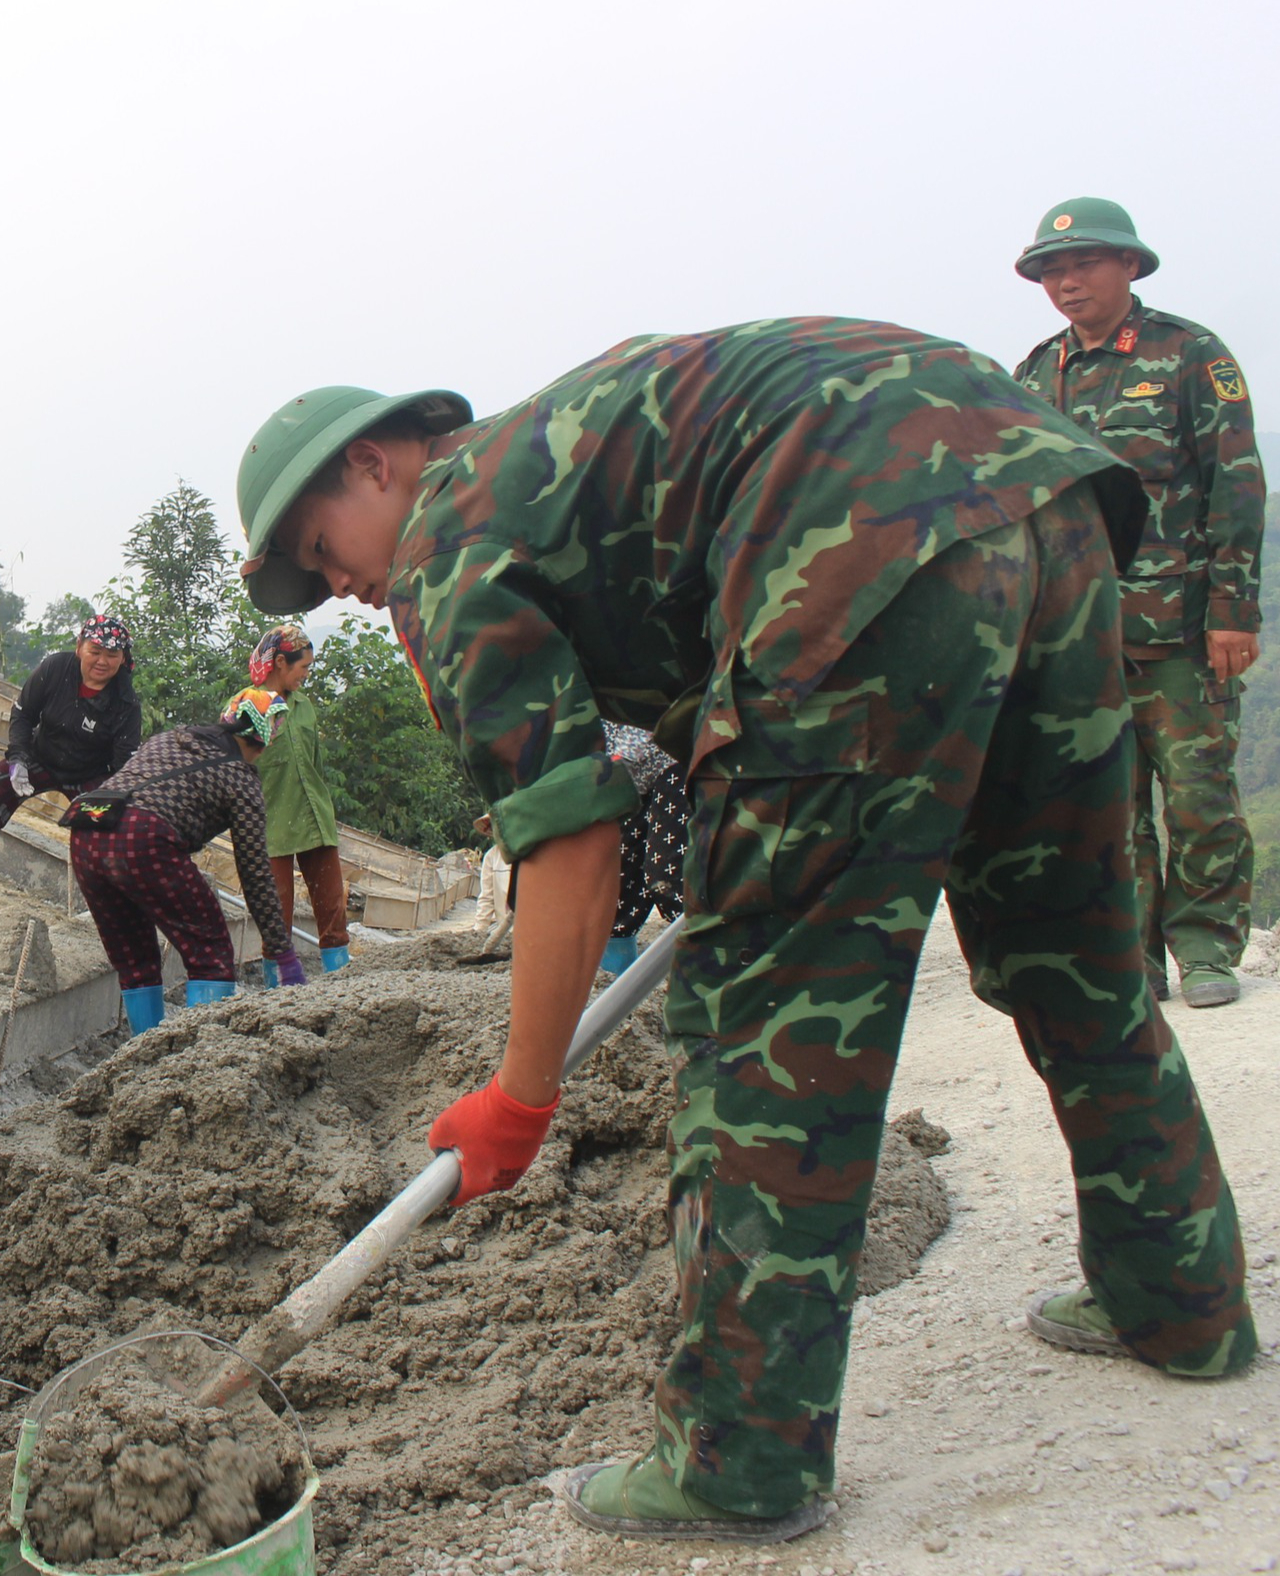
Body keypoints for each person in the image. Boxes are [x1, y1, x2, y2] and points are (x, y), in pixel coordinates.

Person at [233, 320, 1256, 1544]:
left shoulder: (451, 537)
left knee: (768, 1026)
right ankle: (1178, 1301)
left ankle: (738, 1460)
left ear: (376, 462)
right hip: (1044, 493)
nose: (339, 586)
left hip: (860, 539)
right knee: (1072, 948)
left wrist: (521, 1093)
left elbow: (568, 841)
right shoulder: (568, 453)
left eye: (319, 549)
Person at [1010, 198, 1265, 1010]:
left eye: (1083, 263)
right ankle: (1134, 962)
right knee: (1110, 811)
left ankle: (1205, 950)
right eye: (1052, 269)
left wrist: (1233, 610)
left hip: (1182, 629)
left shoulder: (1189, 356)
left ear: (1129, 265)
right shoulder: (1034, 373)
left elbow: (1237, 484)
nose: (1066, 281)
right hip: (1077, 633)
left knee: (1197, 797)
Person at [70, 692, 302, 1037]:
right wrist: (283, 952)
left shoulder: (172, 738)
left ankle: (145, 1060)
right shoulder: (242, 777)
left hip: (88, 831)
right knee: (210, 951)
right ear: (266, 738)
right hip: (143, 837)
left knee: (136, 962)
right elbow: (254, 872)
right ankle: (198, 1062)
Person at [0, 614, 143, 893]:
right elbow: (22, 713)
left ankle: (102, 902)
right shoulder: (54, 668)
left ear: (122, 658)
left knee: (109, 826)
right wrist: (17, 758)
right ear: (80, 647)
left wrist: (107, 800)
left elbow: (123, 764)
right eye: (95, 651)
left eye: (112, 654)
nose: (102, 661)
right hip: (41, 756)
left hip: (89, 774)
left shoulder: (126, 704)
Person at [241, 624, 348, 977]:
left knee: (333, 909)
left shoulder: (304, 707)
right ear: (281, 663)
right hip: (271, 826)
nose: (306, 676)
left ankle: (341, 981)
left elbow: (314, 765)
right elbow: (236, 771)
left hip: (314, 817)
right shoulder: (247, 708)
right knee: (276, 915)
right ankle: (279, 994)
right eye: (303, 668)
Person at [598, 721, 685, 974]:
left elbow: (650, 711)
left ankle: (698, 966)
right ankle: (614, 978)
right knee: (618, 889)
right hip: (625, 783)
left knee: (667, 876)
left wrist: (619, 760)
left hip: (669, 758)